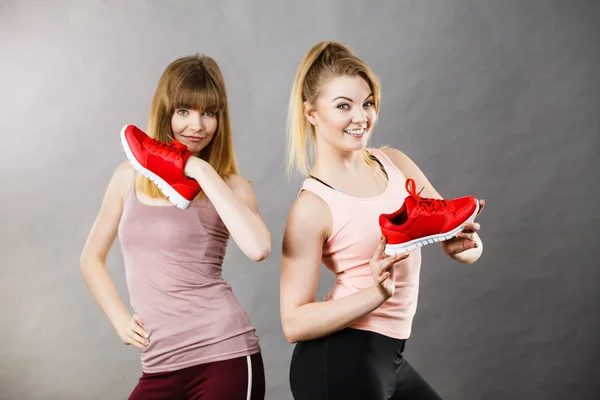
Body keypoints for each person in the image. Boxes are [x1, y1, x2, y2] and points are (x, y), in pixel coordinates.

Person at [280, 41, 485, 399]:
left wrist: (463, 245)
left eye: (367, 103)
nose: (361, 118)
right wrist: (374, 294)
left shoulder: (394, 163)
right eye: (344, 105)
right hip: (339, 361)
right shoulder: (312, 206)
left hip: (389, 357)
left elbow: (460, 241)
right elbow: (293, 322)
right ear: (310, 112)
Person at [80, 55, 270, 399]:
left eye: (208, 113)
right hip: (159, 363)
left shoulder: (232, 186)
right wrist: (120, 319)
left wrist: (198, 170)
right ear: (165, 111)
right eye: (183, 111)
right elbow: (91, 258)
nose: (196, 125)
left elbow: (258, 249)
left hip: (223, 356)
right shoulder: (128, 177)